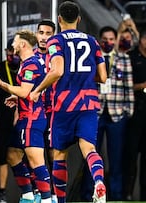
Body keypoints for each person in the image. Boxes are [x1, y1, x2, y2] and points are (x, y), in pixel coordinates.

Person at [29, 2, 107, 203]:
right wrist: (85, 76)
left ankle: (61, 201)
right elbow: (103, 77)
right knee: (89, 149)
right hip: (88, 104)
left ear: (59, 19)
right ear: (79, 19)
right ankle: (98, 182)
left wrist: (37, 90)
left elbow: (57, 71)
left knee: (60, 154)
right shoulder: (92, 41)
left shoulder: (56, 41)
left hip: (64, 105)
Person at [80, 25, 134, 201]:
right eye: (105, 39)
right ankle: (89, 195)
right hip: (94, 113)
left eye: (112, 39)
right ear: (99, 40)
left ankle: (116, 196)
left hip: (117, 115)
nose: (108, 42)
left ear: (116, 40)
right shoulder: (91, 59)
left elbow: (129, 87)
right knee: (90, 155)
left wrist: (128, 111)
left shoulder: (124, 58)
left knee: (115, 159)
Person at [0, 30, 51, 203]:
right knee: (12, 154)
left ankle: (46, 199)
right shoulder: (27, 63)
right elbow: (28, 91)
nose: (12, 45)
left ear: (22, 44)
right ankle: (28, 195)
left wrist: (2, 84)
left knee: (36, 162)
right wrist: (18, 97)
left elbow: (24, 90)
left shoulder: (31, 64)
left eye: (14, 41)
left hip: (32, 119)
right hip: (24, 118)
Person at [0, 38, 18, 203]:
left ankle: (2, 192)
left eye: (14, 51)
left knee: (6, 157)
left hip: (15, 121)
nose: (11, 54)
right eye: (9, 51)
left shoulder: (25, 69)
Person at [34, 19, 57, 203]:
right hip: (33, 113)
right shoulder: (30, 56)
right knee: (34, 154)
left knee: (53, 154)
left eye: (48, 33)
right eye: (41, 32)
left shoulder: (57, 57)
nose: (43, 37)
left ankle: (56, 195)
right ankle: (38, 193)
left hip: (53, 112)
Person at [124, 28, 146, 201]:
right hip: (133, 114)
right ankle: (127, 194)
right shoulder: (130, 57)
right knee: (130, 157)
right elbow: (123, 85)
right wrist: (142, 85)